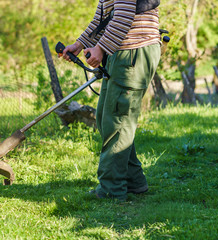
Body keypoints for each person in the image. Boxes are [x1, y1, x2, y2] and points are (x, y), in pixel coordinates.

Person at [60, 0, 161, 201]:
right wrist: (80, 44)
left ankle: (111, 189)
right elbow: (102, 18)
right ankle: (133, 181)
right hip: (120, 51)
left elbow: (123, 16)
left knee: (117, 120)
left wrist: (101, 48)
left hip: (133, 51)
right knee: (106, 117)